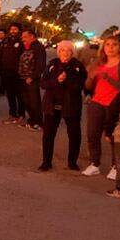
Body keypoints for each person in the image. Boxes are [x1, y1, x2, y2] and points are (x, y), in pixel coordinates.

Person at [82, 36, 120, 178]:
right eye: (107, 44)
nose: (110, 47)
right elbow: (88, 86)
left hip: (115, 105)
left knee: (113, 137)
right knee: (92, 135)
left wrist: (107, 78)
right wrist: (90, 77)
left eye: (114, 45)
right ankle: (94, 164)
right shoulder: (99, 63)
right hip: (96, 102)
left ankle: (116, 167)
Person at [38, 41, 87, 171]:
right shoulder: (52, 65)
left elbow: (80, 85)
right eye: (62, 50)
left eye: (68, 50)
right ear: (58, 52)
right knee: (48, 134)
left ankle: (72, 162)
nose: (65, 53)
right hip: (52, 105)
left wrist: (68, 79)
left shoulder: (78, 66)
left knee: (74, 134)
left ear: (72, 52)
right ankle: (46, 162)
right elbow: (43, 84)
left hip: (71, 106)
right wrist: (57, 81)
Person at [18, 29, 46, 131]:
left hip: (32, 79)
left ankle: (38, 122)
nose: (23, 39)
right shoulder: (25, 47)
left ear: (32, 37)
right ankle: (31, 120)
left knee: (34, 102)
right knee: (26, 101)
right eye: (22, 37)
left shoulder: (38, 48)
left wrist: (32, 77)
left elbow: (41, 65)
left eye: (25, 37)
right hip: (23, 78)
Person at [0, 22, 25, 124]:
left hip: (18, 74)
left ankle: (21, 114)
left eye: (15, 29)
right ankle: (12, 114)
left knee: (20, 95)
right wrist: (1, 68)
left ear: (19, 30)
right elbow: (1, 55)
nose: (13, 31)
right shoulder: (6, 40)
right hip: (6, 72)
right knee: (10, 95)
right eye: (11, 29)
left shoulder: (21, 41)